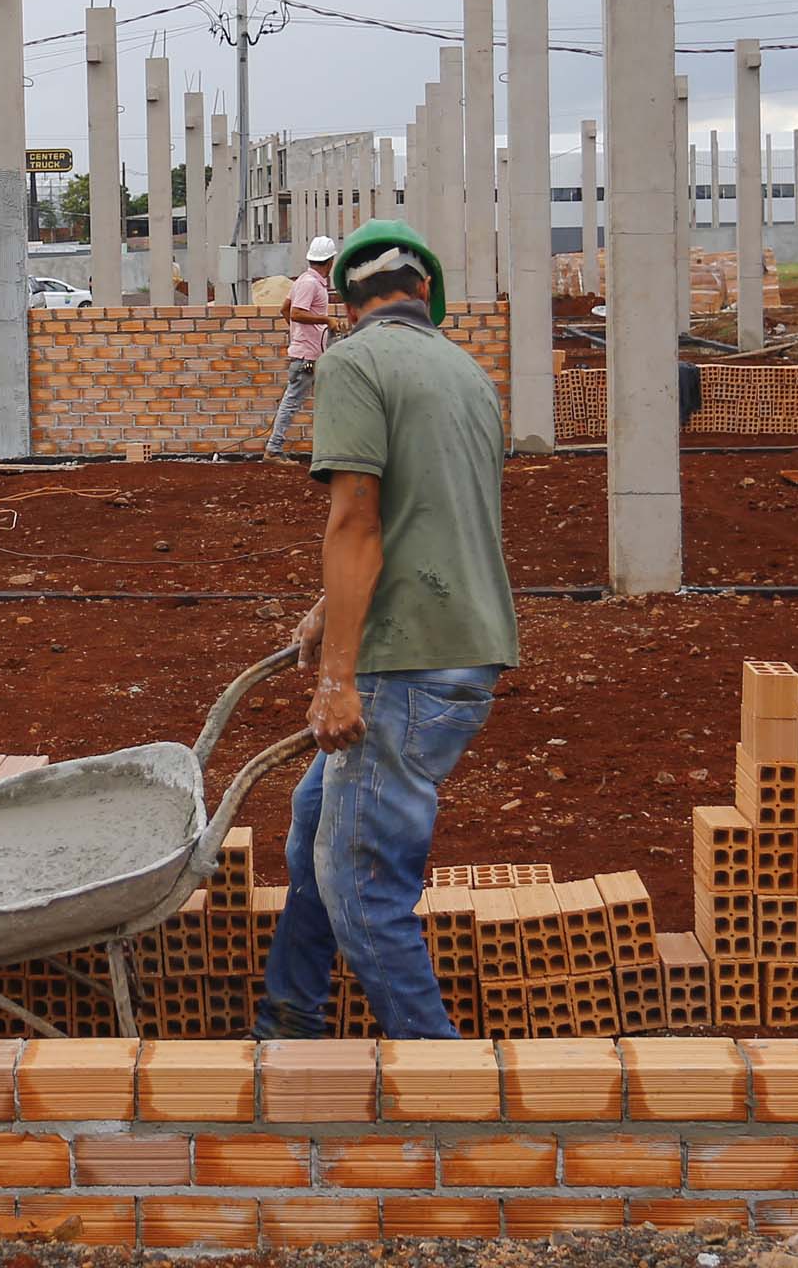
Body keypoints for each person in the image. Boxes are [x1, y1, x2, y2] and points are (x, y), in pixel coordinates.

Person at [256, 219, 517, 1040]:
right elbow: (424, 514)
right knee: (311, 831)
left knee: (361, 883)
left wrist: (338, 679)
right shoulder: (465, 371)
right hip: (463, 646)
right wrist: (329, 611)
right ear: (426, 294)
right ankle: (291, 1017)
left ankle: (444, 1083)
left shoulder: (353, 363)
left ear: (341, 302)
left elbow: (358, 522)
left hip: (409, 663)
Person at [264, 234, 339, 457]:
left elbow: (285, 310)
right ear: (330, 261)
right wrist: (325, 321)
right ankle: (273, 450)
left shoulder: (304, 281)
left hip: (311, 353)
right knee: (291, 402)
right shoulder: (309, 284)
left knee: (321, 398)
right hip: (307, 357)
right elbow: (295, 312)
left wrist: (302, 334)